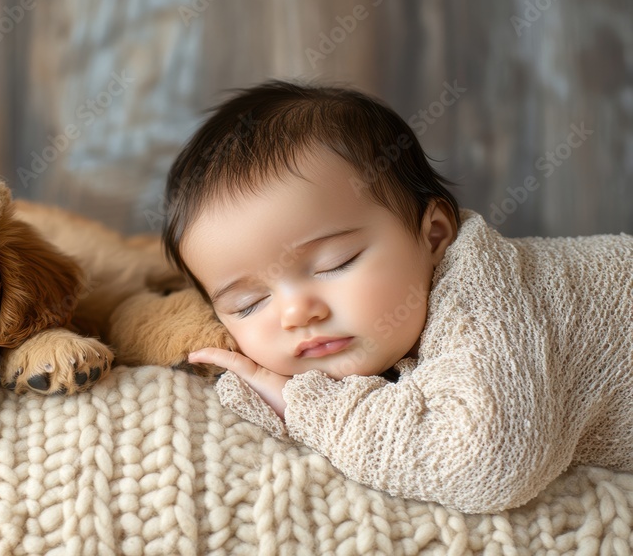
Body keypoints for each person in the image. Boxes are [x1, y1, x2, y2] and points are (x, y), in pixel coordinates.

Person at [161, 80, 633, 513]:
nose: (296, 311)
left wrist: (304, 403)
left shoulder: (480, 298)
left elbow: (483, 463)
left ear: (433, 235)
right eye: (248, 304)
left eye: (336, 263)